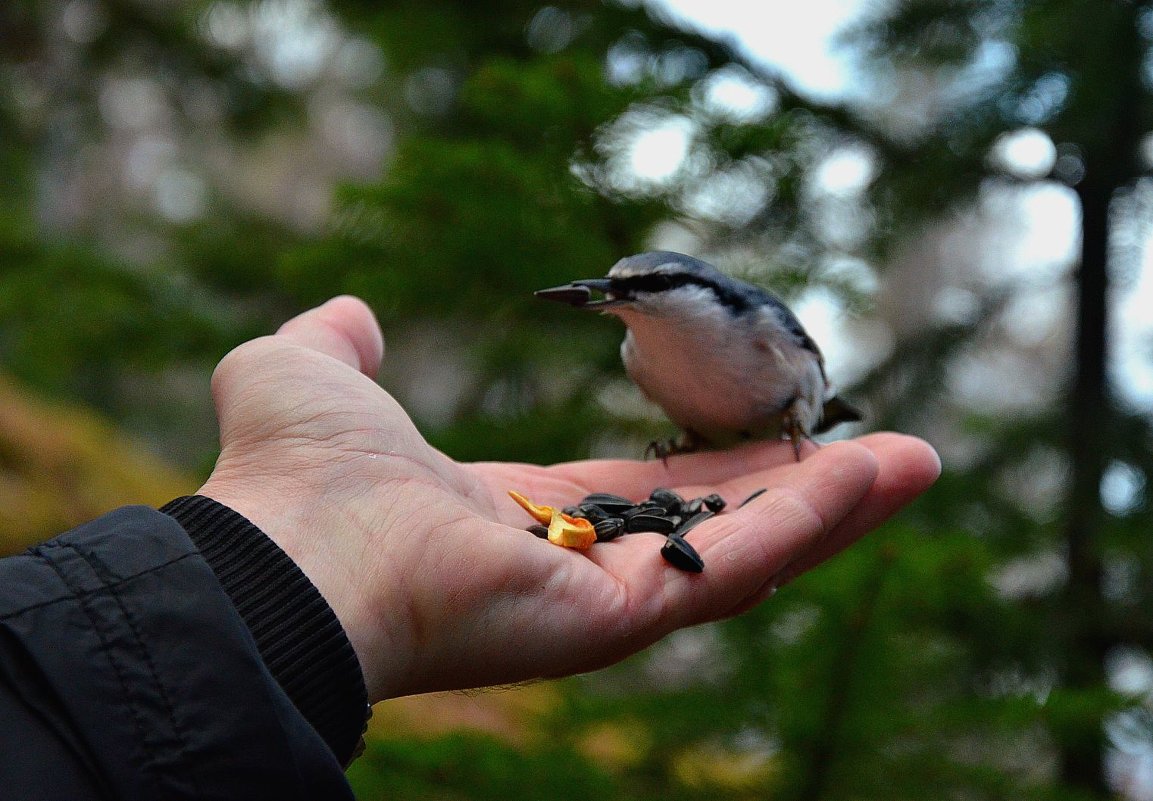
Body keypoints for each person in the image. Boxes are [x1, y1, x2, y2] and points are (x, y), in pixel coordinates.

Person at [0, 296, 941, 799]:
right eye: (610, 292)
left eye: (637, 289)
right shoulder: (640, 354)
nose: (611, 301)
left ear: (702, 298)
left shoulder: (760, 327)